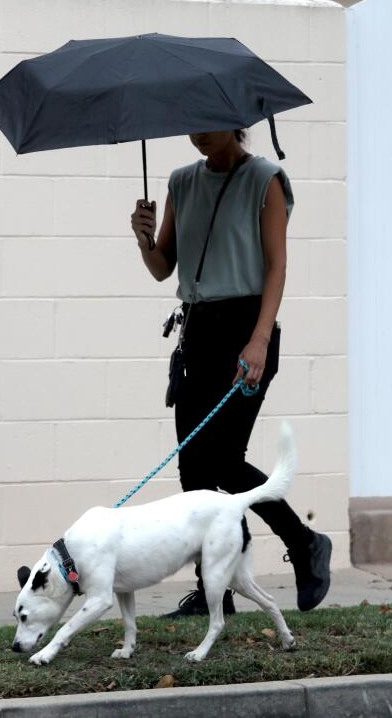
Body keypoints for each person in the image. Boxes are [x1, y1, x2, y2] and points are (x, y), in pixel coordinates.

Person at [130, 129, 332, 616]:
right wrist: (143, 238)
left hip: (247, 330)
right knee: (194, 472)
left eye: (208, 123)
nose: (198, 134)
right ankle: (215, 591)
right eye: (191, 124)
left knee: (222, 461)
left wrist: (260, 338)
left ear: (236, 119)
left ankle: (304, 542)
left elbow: (277, 266)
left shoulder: (265, 180)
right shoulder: (181, 182)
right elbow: (163, 268)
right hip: (197, 333)